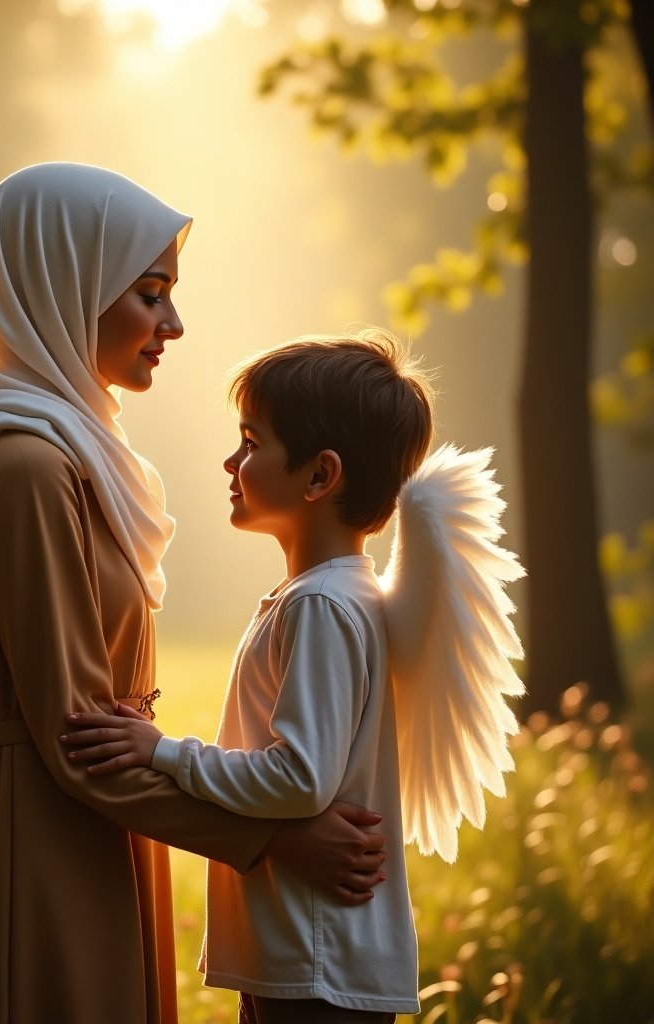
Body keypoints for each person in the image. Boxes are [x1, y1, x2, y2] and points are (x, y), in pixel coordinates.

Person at [0, 164, 390, 1024]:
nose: (174, 323)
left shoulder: (61, 455)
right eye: (151, 293)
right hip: (39, 847)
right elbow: (77, 738)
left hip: (88, 829)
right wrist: (273, 839)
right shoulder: (26, 468)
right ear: (68, 284)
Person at [61, 332, 526, 1024]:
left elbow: (300, 778)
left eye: (251, 442)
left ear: (319, 476)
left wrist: (160, 751)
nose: (232, 459)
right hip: (307, 960)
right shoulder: (329, 597)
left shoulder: (321, 606)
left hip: (316, 968)